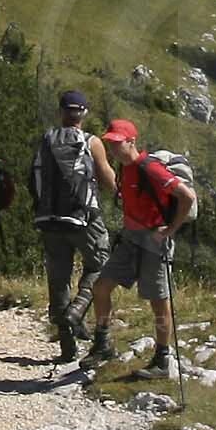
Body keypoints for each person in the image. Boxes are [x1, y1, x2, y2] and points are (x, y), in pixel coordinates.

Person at [81, 119, 197, 380]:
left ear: (131, 141)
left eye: (117, 143)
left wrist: (169, 230)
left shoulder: (150, 168)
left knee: (158, 301)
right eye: (110, 143)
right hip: (130, 239)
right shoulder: (125, 169)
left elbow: (187, 197)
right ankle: (103, 344)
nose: (113, 149)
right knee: (101, 287)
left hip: (154, 241)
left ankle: (162, 359)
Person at [30, 90, 113, 366]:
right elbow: (107, 179)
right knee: (100, 265)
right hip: (84, 217)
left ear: (61, 112)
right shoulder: (91, 142)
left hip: (49, 219)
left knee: (58, 278)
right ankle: (78, 309)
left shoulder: (46, 139)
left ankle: (67, 346)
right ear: (84, 113)